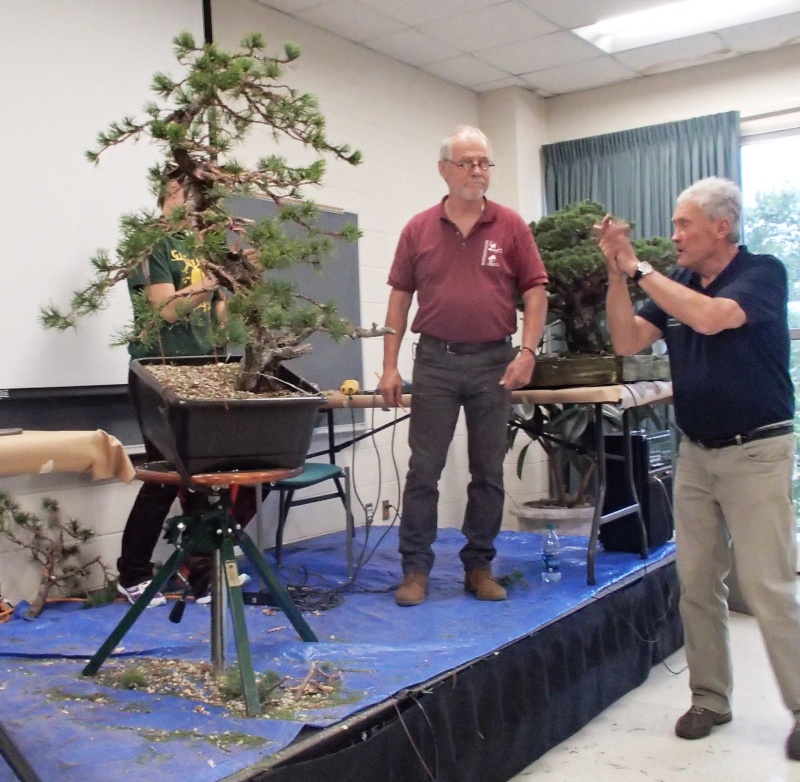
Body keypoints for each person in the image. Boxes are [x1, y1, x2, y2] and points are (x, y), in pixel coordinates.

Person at [595, 176, 800, 761]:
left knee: (767, 585)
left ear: (721, 227)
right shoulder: (677, 281)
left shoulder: (763, 272)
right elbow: (628, 339)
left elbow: (710, 319)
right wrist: (616, 272)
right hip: (697, 453)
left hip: (757, 452)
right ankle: (710, 697)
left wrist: (639, 270)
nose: (675, 235)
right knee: (696, 584)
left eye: (684, 224)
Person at [378, 125, 548, 607]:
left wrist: (528, 352)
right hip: (435, 360)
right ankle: (415, 570)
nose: (478, 170)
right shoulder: (418, 228)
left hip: (494, 361)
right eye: (468, 162)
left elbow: (535, 291)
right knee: (423, 470)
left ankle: (479, 565)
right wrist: (390, 366)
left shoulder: (511, 225)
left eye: (484, 163)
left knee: (487, 470)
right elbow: (399, 297)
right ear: (444, 170)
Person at [116, 171, 251, 607]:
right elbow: (166, 310)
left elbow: (225, 325)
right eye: (182, 189)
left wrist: (240, 281)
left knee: (203, 477)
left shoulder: (205, 249)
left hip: (202, 370)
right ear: (165, 193)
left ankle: (201, 574)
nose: (191, 198)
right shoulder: (150, 243)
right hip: (159, 370)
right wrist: (211, 282)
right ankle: (133, 575)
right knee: (162, 475)